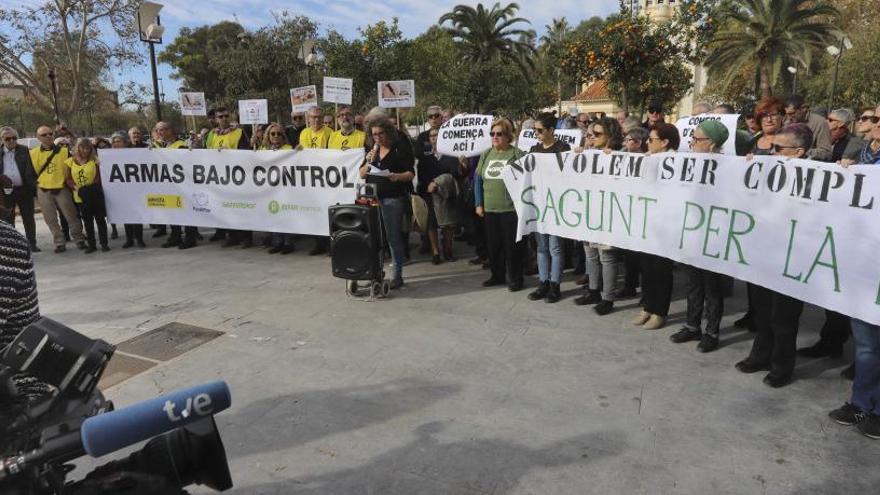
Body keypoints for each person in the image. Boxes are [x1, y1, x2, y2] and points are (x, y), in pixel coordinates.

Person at [736, 123, 814, 388]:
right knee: (762, 310)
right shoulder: (767, 168)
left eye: (779, 149)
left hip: (793, 257)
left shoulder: (817, 176)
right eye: (771, 148)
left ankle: (782, 367)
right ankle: (760, 355)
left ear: (800, 152)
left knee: (784, 317)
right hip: (764, 251)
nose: (772, 153)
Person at [668, 120, 730, 353]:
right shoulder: (689, 162)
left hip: (714, 236)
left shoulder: (728, 167)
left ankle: (711, 332)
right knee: (694, 283)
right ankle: (692, 326)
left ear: (712, 144)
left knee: (712, 287)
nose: (692, 143)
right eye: (692, 138)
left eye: (697, 139)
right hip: (693, 232)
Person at [359, 117, 415, 289]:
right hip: (372, 200)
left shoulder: (398, 148)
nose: (377, 137)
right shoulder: (371, 150)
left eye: (380, 133)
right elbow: (361, 174)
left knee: (392, 238)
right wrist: (368, 162)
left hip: (393, 199)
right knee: (374, 238)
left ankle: (397, 275)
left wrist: (397, 176)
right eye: (374, 134)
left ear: (388, 132)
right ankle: (375, 273)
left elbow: (410, 173)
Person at [574, 117, 623, 315]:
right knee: (590, 254)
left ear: (610, 136)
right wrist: (579, 155)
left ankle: (607, 298)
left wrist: (614, 159)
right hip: (589, 210)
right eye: (590, 134)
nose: (592, 137)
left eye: (597, 134)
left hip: (608, 213)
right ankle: (593, 290)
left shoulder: (621, 156)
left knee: (607, 256)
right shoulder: (588, 154)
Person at [633, 122, 679, 330]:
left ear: (665, 142)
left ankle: (660, 312)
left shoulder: (678, 162)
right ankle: (647, 307)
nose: (647, 143)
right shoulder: (648, 159)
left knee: (661, 270)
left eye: (651, 140)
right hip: (648, 221)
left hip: (667, 224)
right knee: (647, 268)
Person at [473, 118, 525, 291]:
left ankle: (516, 279)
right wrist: (479, 203)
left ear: (508, 136)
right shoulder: (486, 154)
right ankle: (497, 275)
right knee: (494, 246)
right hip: (490, 209)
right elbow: (477, 180)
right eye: (492, 134)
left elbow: (527, 179)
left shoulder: (517, 154)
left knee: (512, 247)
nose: (495, 137)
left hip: (510, 209)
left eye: (499, 134)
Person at [526, 113, 570, 303]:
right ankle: (543, 282)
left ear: (551, 130)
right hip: (539, 203)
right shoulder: (533, 149)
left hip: (556, 204)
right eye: (534, 130)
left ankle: (555, 284)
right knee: (542, 247)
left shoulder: (562, 148)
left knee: (555, 247)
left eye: (540, 130)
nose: (536, 133)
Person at [30, 125, 85, 253]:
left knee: (71, 215)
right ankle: (59, 242)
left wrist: (68, 132)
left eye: (50, 133)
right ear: (38, 138)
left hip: (61, 188)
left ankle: (79, 239)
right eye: (44, 135)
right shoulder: (33, 153)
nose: (48, 136)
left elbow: (80, 146)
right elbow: (30, 172)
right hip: (43, 189)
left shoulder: (64, 151)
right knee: (50, 218)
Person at [417, 126, 464, 264]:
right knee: (431, 224)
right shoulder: (425, 158)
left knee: (448, 225)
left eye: (437, 135)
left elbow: (455, 174)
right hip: (430, 194)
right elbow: (422, 176)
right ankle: (435, 252)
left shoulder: (451, 156)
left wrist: (461, 165)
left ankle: (448, 250)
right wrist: (430, 185)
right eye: (431, 136)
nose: (434, 138)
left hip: (446, 194)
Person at [204, 107, 250, 247]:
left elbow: (245, 153)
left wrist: (228, 153)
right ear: (216, 119)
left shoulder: (239, 132)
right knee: (225, 208)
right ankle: (232, 236)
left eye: (226, 116)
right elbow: (206, 152)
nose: (224, 119)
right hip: (219, 178)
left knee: (242, 207)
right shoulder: (212, 134)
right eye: (220, 116)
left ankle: (246, 237)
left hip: (237, 177)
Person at [152, 122, 197, 250]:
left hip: (182, 186)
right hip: (168, 185)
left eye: (163, 130)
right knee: (172, 212)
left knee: (187, 211)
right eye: (158, 130)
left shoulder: (181, 146)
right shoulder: (161, 146)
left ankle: (190, 238)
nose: (160, 132)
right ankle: (175, 236)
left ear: (170, 130)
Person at [65, 138, 108, 254]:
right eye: (83, 148)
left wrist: (91, 187)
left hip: (94, 192)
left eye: (88, 148)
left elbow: (99, 176)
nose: (85, 150)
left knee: (100, 220)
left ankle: (104, 243)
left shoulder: (95, 160)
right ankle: (92, 245)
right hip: (80, 195)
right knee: (87, 221)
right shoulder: (70, 161)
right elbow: (68, 179)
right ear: (78, 148)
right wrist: (76, 188)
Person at [0, 126, 38, 252]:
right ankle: (13, 246)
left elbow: (29, 170)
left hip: (24, 189)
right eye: (8, 139)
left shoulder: (24, 150)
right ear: (2, 139)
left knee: (28, 217)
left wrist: (33, 188)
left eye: (14, 138)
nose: (11, 141)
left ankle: (31, 244)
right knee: (8, 219)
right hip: (5, 192)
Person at [108, 132, 145, 249]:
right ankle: (129, 239)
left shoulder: (133, 153)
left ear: (125, 142)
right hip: (120, 190)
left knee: (136, 215)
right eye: (114, 142)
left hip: (134, 189)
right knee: (125, 215)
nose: (116, 144)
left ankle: (139, 239)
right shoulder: (108, 156)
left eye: (118, 141)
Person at [784, 95, 832, 161]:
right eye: (786, 114)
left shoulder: (820, 123)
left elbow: (826, 152)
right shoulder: (787, 123)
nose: (789, 117)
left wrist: (805, 152)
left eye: (792, 113)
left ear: (804, 108)